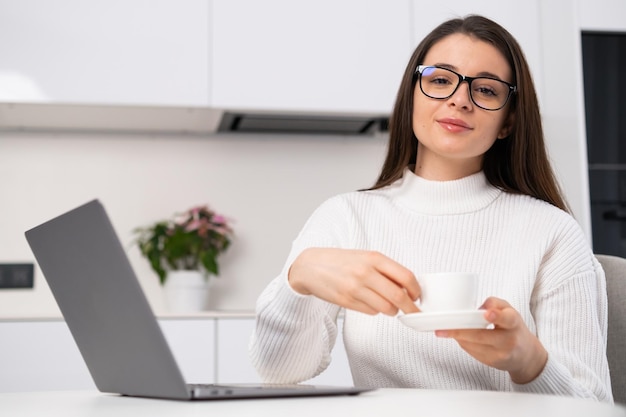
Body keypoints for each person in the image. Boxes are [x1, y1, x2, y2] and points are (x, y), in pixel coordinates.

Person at [249, 15, 613, 402]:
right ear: (412, 96)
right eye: (440, 80)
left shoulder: (552, 233)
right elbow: (278, 373)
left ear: (507, 121)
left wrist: (531, 363)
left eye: (486, 90)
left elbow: (594, 406)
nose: (459, 99)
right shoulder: (345, 218)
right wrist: (298, 278)